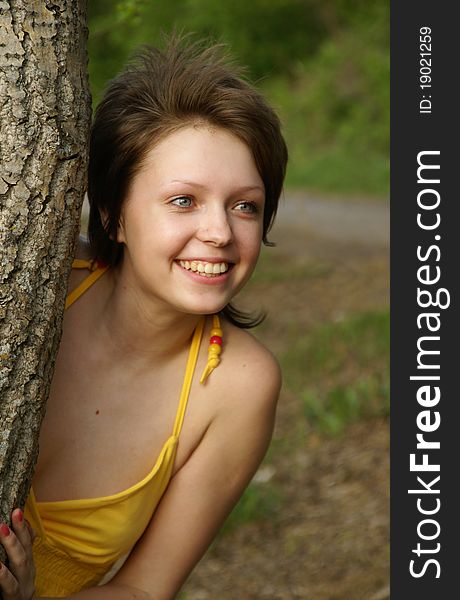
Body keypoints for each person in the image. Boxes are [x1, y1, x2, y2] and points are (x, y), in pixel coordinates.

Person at [0, 34, 288, 599]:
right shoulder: (38, 277)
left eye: (244, 205)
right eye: (184, 200)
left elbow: (145, 589)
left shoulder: (238, 387)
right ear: (114, 215)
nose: (221, 232)